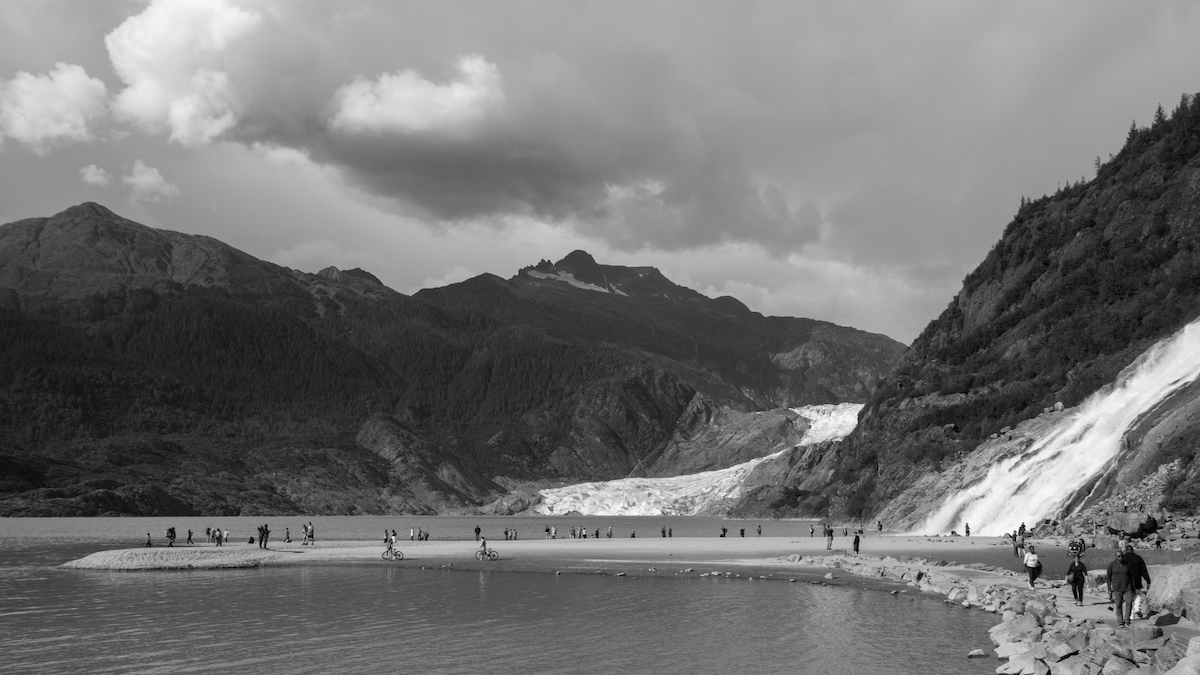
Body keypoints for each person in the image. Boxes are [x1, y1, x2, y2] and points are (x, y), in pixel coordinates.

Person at [1107, 547, 1134, 626]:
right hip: (1117, 588)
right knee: (1118, 605)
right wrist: (1109, 589)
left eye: (1122, 556)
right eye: (1119, 556)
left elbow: (1131, 576)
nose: (1120, 558)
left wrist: (1133, 587)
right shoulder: (1111, 565)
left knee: (1129, 602)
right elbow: (1108, 577)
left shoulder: (1127, 565)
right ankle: (1120, 621)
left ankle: (1127, 620)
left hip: (1127, 587)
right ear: (1116, 556)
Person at [1124, 544, 1151, 611]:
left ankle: (1131, 613)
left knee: (1128, 598)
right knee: (1137, 595)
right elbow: (1144, 571)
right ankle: (1137, 608)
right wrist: (1148, 581)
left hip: (1126, 582)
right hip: (1137, 581)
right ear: (1133, 550)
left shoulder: (1122, 558)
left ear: (1126, 550)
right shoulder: (1138, 558)